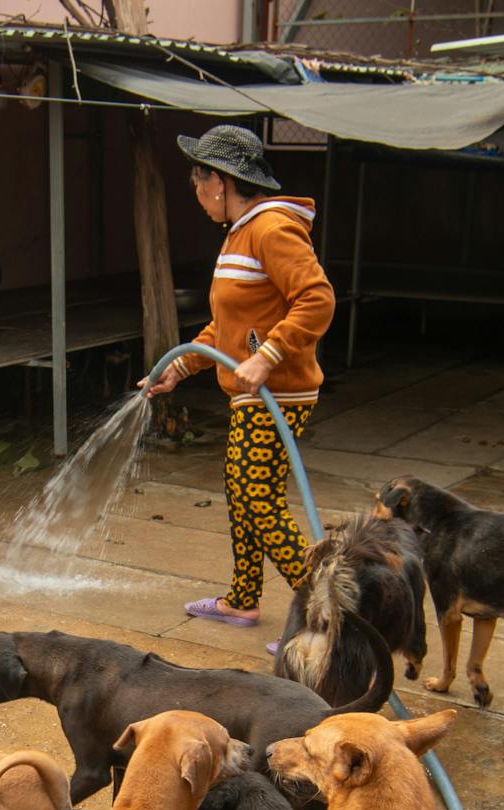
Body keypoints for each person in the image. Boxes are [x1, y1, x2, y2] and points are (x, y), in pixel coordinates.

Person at [141, 125, 334, 633]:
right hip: (252, 393)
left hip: (277, 393)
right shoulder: (240, 234)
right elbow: (227, 328)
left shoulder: (271, 230)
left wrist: (268, 355)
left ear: (221, 182)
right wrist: (179, 367)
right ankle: (243, 599)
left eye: (198, 182)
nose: (197, 193)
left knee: (259, 500)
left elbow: (317, 299)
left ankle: (328, 619)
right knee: (241, 490)